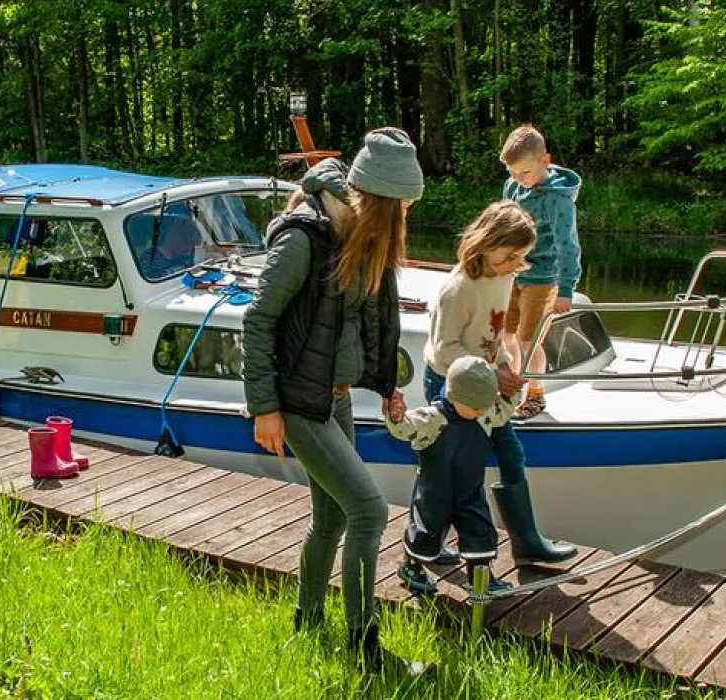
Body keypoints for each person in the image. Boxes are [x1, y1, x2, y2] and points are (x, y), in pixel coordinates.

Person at [241, 127, 423, 674]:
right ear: (378, 202)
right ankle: (364, 648)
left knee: (332, 520)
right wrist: (265, 408)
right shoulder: (304, 238)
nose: (402, 223)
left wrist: (386, 384)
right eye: (401, 210)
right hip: (298, 401)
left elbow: (364, 321)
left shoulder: (358, 237)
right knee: (368, 510)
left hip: (333, 397)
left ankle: (308, 620)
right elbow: (257, 320)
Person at [419, 200, 579, 565]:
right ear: (486, 240)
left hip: (486, 382)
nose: (515, 265)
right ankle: (427, 543)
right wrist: (493, 374)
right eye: (509, 256)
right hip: (450, 386)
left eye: (520, 257)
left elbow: (492, 334)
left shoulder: (503, 276)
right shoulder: (458, 289)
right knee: (446, 468)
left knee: (511, 452)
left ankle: (527, 541)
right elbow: (445, 352)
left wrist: (507, 368)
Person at [388, 355, 516, 595]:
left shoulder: (484, 414)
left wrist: (511, 393)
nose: (481, 411)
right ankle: (412, 566)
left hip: (470, 487)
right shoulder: (433, 418)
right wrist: (396, 417)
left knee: (480, 527)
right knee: (427, 527)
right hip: (435, 489)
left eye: (485, 405)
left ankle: (480, 574)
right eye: (476, 406)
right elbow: (405, 429)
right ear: (454, 395)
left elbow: (503, 411)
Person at [499, 124, 583, 420]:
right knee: (504, 334)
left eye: (525, 173)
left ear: (544, 162)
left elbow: (567, 246)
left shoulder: (557, 199)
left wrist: (565, 289)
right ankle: (510, 385)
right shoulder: (513, 186)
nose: (519, 180)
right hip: (511, 273)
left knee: (528, 340)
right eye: (512, 173)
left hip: (542, 277)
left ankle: (536, 394)